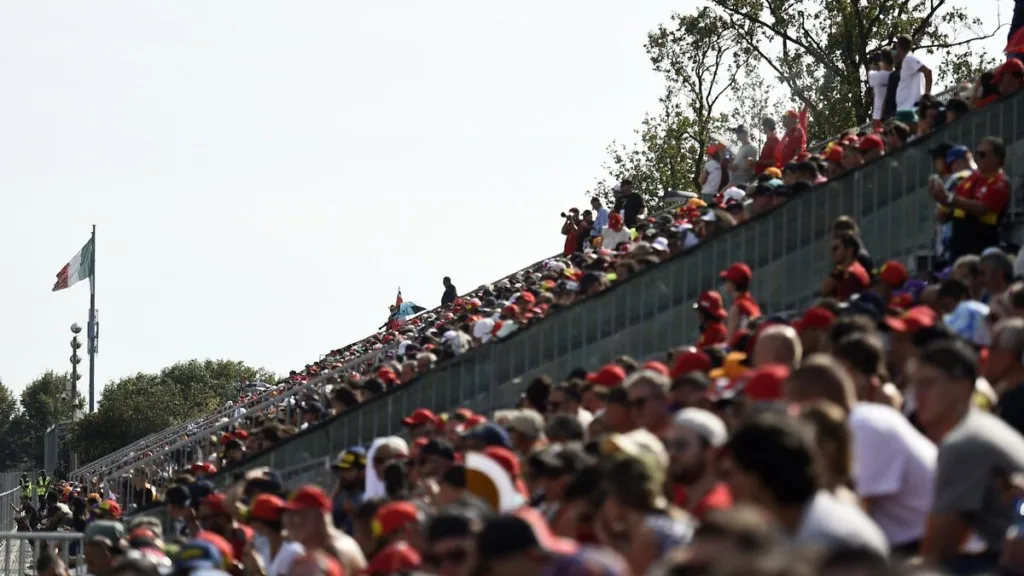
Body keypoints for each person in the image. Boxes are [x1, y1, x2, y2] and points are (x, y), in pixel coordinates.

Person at [912, 339, 1024, 571]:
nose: (917, 396)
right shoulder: (979, 427)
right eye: (916, 385)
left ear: (963, 387)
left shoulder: (964, 443)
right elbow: (956, 531)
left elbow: (935, 554)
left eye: (928, 384)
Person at [893, 35, 933, 112]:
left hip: (910, 108)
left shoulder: (909, 59)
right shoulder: (908, 59)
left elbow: (928, 71)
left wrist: (927, 95)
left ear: (898, 46)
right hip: (906, 108)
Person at [868, 51, 894, 129]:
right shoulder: (894, 75)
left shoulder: (875, 76)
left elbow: (870, 72)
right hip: (893, 112)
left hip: (879, 115)